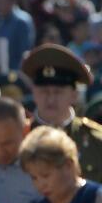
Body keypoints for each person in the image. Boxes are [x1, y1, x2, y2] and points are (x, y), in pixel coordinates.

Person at [21, 44, 102, 182]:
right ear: (33, 92)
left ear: (74, 95)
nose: (51, 99)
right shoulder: (19, 136)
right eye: (44, 92)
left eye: (58, 92)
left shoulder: (96, 140)